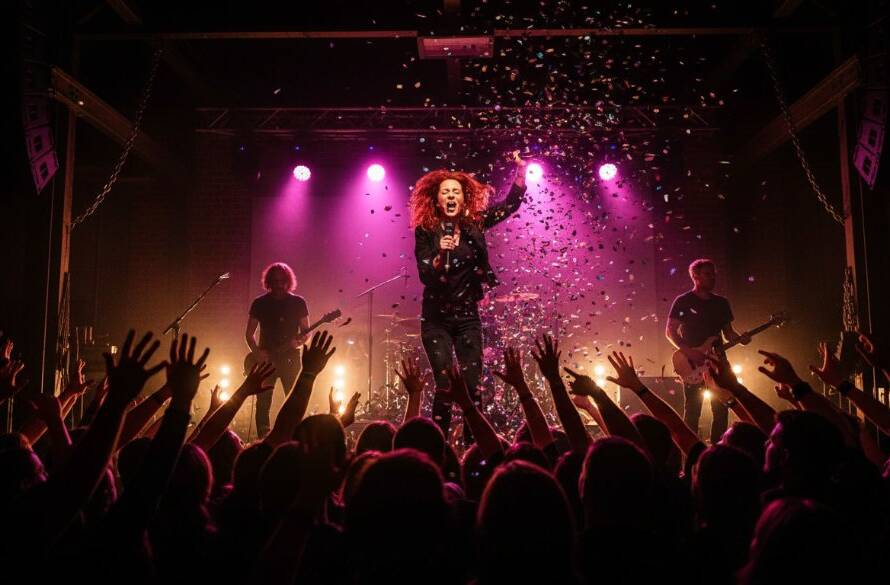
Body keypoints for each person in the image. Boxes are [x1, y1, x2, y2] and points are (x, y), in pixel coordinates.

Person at [409, 155, 527, 437]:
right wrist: (438, 258)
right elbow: (425, 273)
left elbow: (509, 206)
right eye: (445, 192)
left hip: (467, 317)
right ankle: (440, 451)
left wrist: (521, 173)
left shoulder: (475, 224)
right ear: (437, 200)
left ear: (464, 199)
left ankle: (474, 448)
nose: (450, 195)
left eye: (456, 191)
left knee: (473, 387)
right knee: (446, 385)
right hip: (436, 317)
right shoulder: (426, 231)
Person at [665, 259, 749, 443]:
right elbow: (670, 331)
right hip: (692, 363)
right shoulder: (683, 301)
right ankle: (691, 457)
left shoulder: (721, 303)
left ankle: (718, 451)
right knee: (693, 411)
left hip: (717, 361)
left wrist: (741, 339)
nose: (713, 278)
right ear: (695, 276)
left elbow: (728, 334)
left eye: (714, 274)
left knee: (721, 409)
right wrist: (689, 352)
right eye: (708, 274)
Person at [245, 262, 309, 437]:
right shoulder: (259, 303)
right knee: (263, 402)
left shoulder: (298, 302)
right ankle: (262, 440)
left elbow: (306, 333)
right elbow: (249, 334)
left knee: (295, 400)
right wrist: (257, 352)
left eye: (282, 280)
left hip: (291, 359)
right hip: (267, 361)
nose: (279, 284)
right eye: (275, 280)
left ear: (288, 281)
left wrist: (300, 341)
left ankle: (294, 438)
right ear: (269, 282)